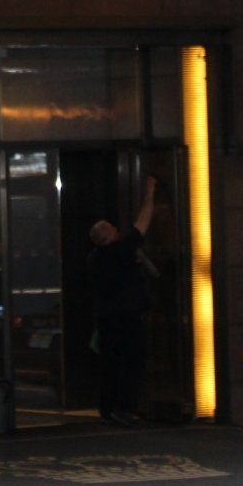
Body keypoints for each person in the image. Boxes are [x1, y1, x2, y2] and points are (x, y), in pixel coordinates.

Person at [88, 174, 157, 427]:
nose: (117, 230)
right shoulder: (121, 250)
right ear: (108, 236)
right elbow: (143, 221)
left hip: (106, 318)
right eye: (113, 229)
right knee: (132, 362)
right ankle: (125, 408)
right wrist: (149, 192)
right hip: (128, 316)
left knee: (110, 364)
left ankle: (107, 408)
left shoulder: (94, 259)